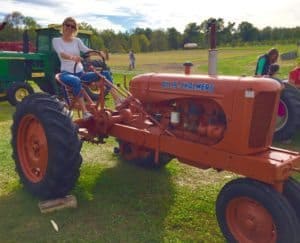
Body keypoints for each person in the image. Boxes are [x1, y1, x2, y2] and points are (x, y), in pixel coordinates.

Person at [52, 17, 112, 119]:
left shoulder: (77, 40)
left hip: (81, 73)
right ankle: (85, 112)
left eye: (73, 26)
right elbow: (61, 53)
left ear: (75, 29)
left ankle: (118, 100)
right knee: (75, 80)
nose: (70, 28)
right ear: (63, 26)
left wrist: (98, 53)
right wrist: (73, 57)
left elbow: (86, 50)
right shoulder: (56, 40)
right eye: (68, 25)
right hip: (66, 73)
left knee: (105, 74)